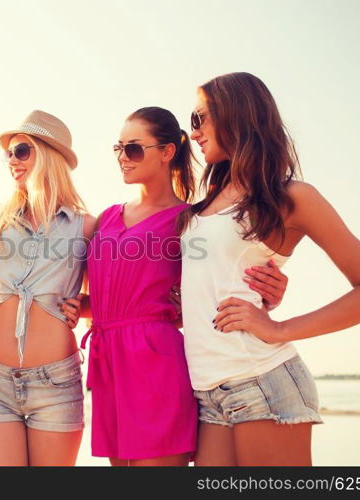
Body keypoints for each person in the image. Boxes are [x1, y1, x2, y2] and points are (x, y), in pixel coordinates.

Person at [179, 72, 360, 466]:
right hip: (208, 390)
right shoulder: (204, 202)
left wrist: (279, 328)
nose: (192, 132)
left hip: (261, 381)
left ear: (236, 115)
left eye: (199, 118)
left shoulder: (292, 197)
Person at [60, 107, 290, 466]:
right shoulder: (106, 218)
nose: (123, 157)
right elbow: (115, 293)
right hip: (109, 365)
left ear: (167, 152)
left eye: (133, 148)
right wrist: (82, 305)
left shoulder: (189, 221)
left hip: (156, 364)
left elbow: (224, 273)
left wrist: (270, 290)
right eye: (118, 148)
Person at [0, 110, 97, 466]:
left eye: (21, 151)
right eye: (8, 153)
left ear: (48, 155)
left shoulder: (86, 226)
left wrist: (82, 308)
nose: (11, 160)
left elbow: (111, 293)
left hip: (54, 381)